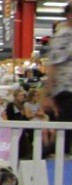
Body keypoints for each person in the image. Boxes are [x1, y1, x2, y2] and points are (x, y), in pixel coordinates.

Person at [47, 4, 72, 153]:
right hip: (66, 91)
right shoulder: (62, 36)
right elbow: (53, 66)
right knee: (64, 134)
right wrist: (48, 95)